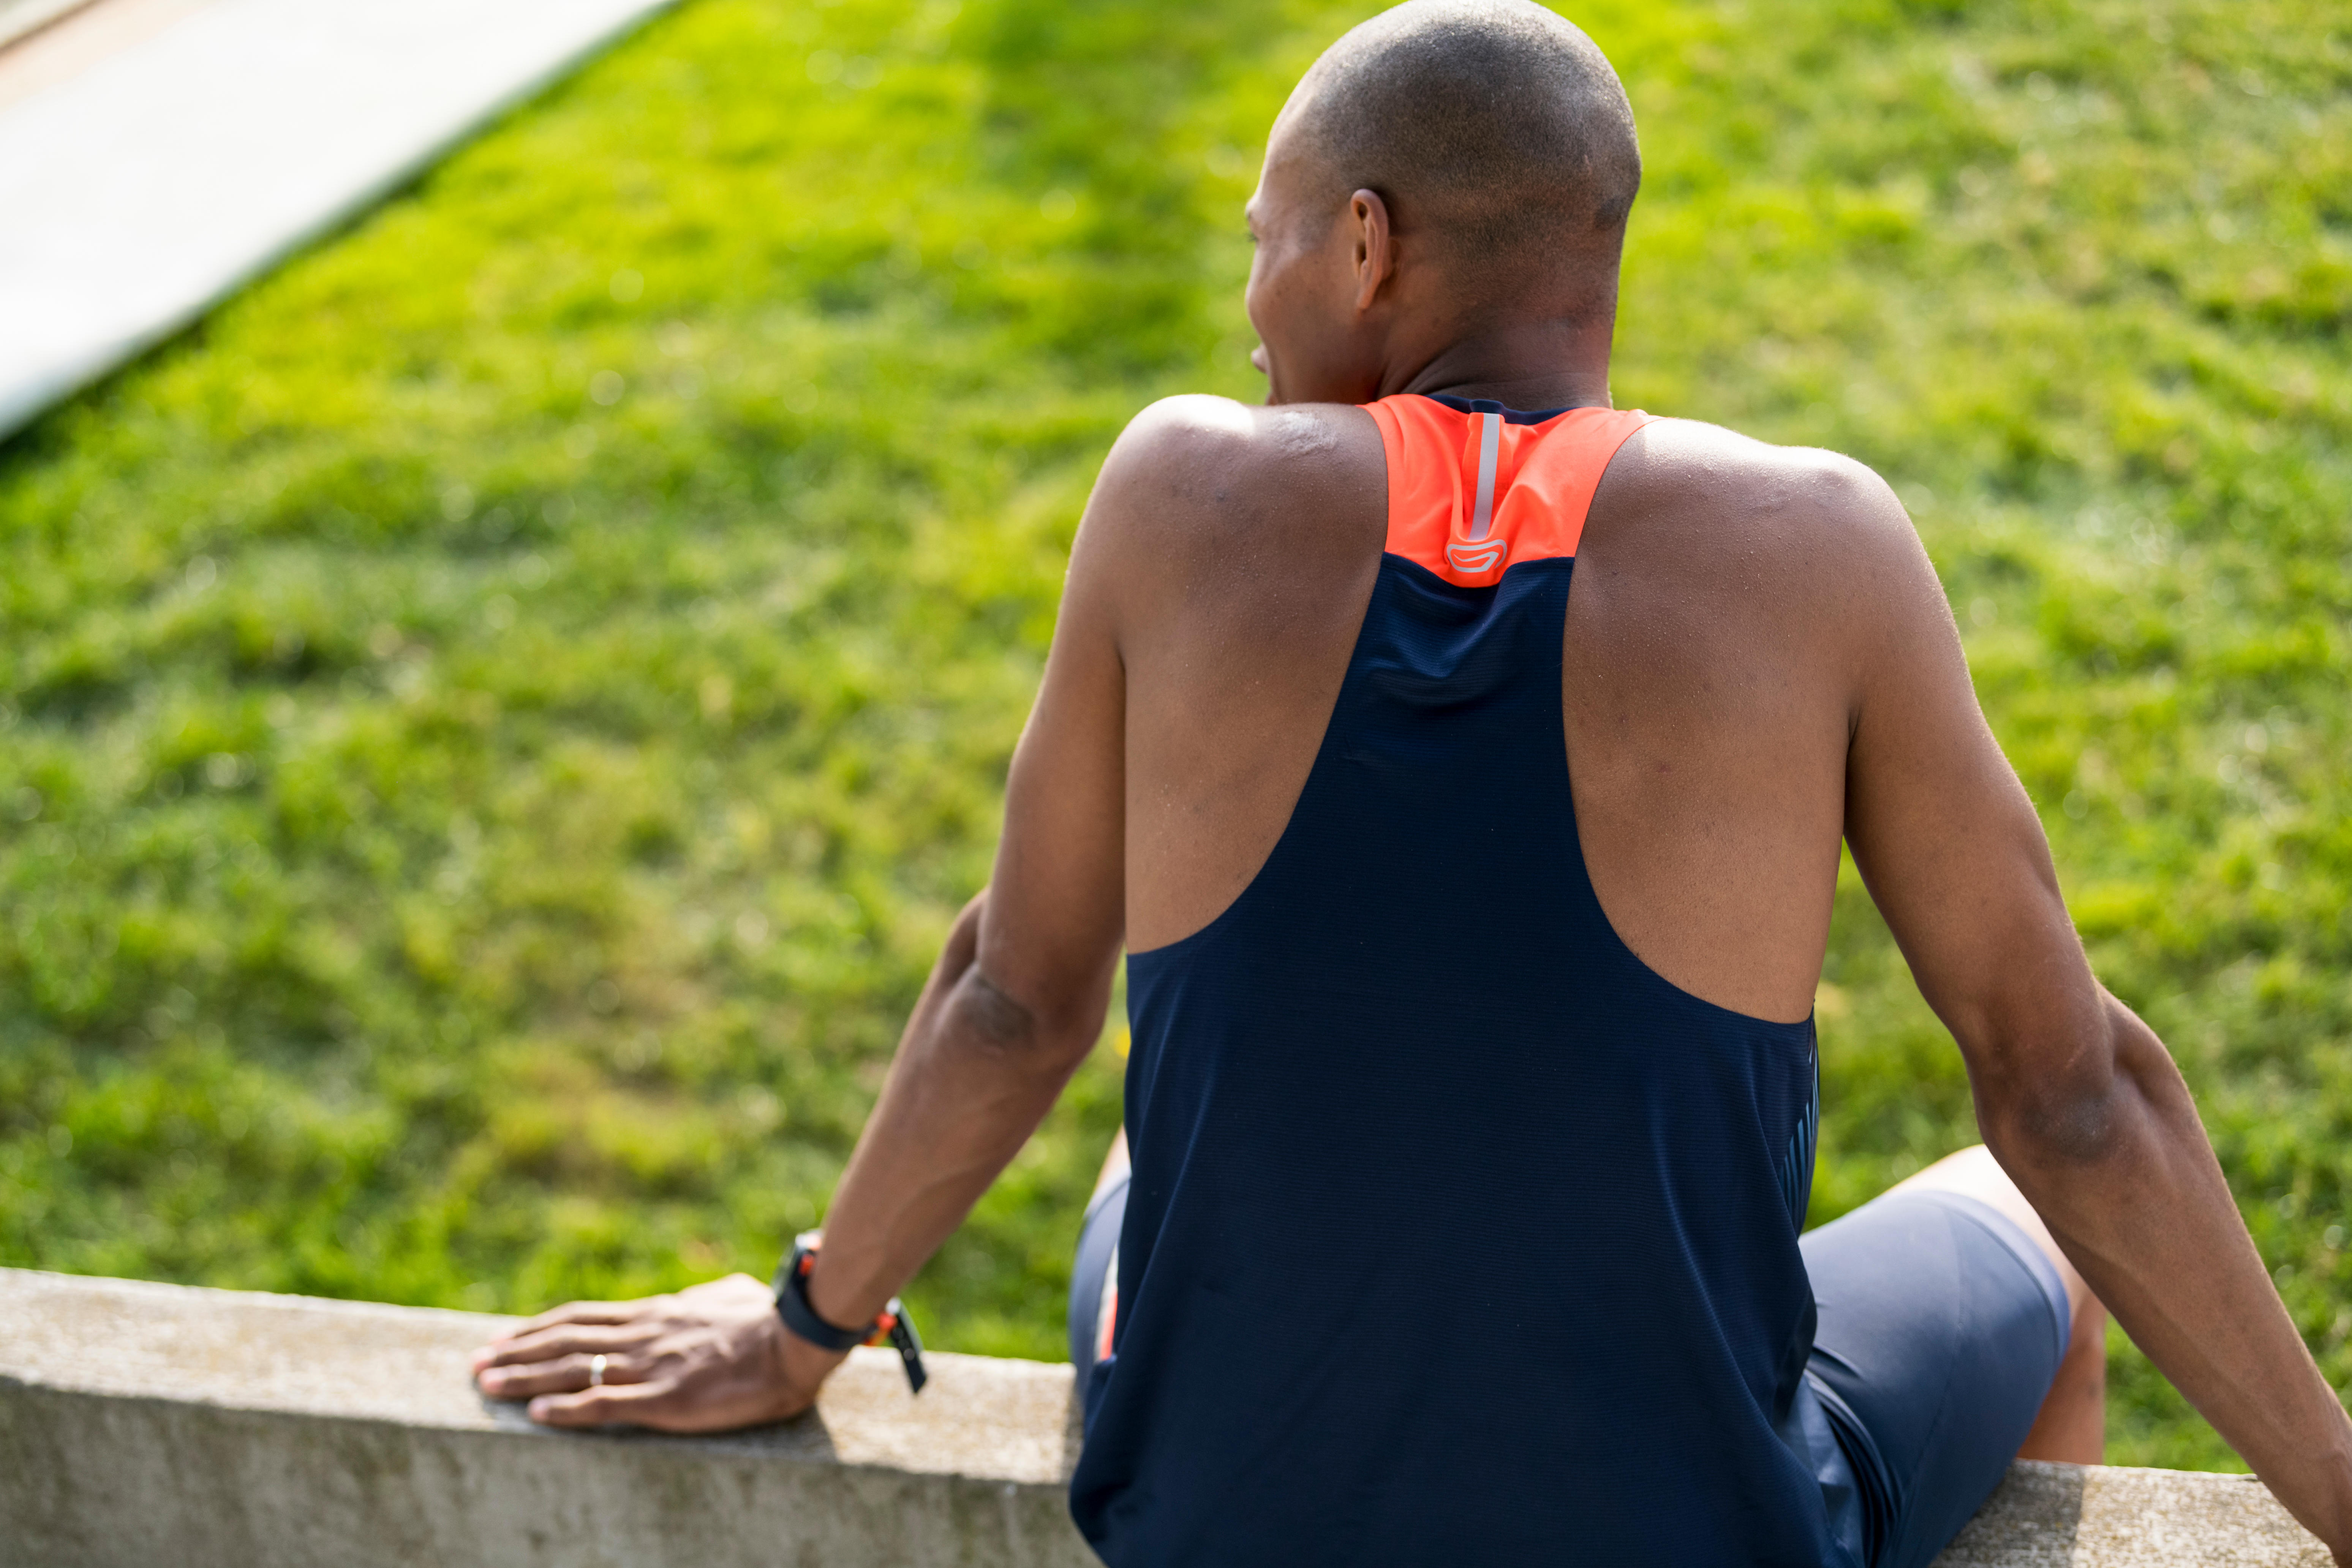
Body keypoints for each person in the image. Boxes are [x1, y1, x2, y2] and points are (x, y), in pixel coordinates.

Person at [469, 3, 2352, 1563]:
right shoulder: (1820, 545)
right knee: (2035, 1246)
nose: (1252, 302)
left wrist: (803, 1328)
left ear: (1364, 245)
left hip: (1212, 1516)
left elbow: (1016, 992)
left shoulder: (1178, 490)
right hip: (1691, 1530)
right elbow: (2073, 1093)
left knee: (1148, 1137)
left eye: (1264, 237)